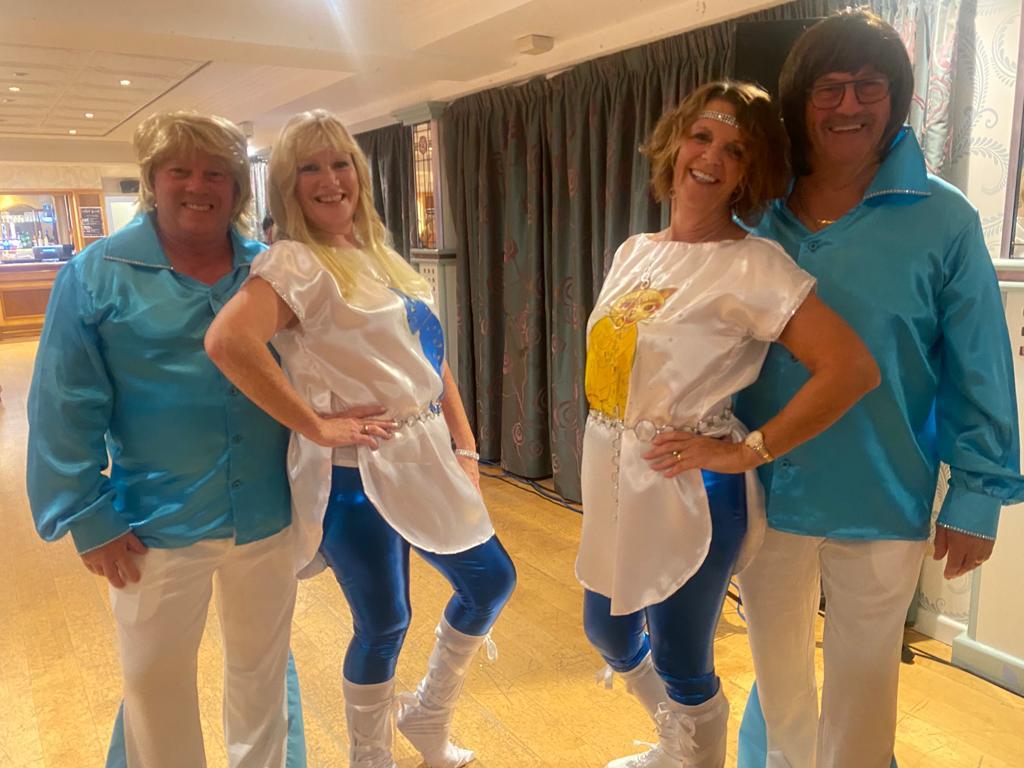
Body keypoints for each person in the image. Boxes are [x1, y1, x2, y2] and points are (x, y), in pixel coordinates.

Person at [734, 11, 1024, 768]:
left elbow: (979, 365)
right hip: (760, 482)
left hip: (883, 484)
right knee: (776, 682)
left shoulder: (944, 220)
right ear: (798, 101)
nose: (849, 105)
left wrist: (977, 496)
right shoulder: (751, 212)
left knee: (863, 693)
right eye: (829, 88)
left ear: (896, 98)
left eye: (870, 87)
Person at [577, 80, 880, 768]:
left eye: (736, 150)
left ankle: (694, 755)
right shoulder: (634, 251)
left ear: (751, 172)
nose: (712, 157)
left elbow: (851, 369)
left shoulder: (753, 264)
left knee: (681, 656)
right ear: (676, 143)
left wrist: (748, 452)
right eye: (702, 136)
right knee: (608, 630)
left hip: (690, 488)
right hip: (613, 476)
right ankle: (675, 744)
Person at [204, 109, 517, 768]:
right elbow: (229, 341)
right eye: (309, 168)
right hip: (357, 471)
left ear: (360, 173)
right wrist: (315, 424)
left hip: (426, 454)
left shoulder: (376, 251)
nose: (330, 180)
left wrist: (463, 444)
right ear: (287, 185)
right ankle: (370, 757)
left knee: (491, 580)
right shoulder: (295, 262)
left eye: (340, 163)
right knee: (384, 621)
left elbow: (428, 355)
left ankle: (427, 714)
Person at [26, 111, 305, 768]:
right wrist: (88, 518)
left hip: (268, 516)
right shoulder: (94, 275)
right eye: (179, 170)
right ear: (153, 180)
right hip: (151, 527)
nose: (197, 186)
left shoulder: (274, 271)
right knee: (155, 686)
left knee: (264, 676)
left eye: (215, 173)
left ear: (237, 187)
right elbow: (63, 407)